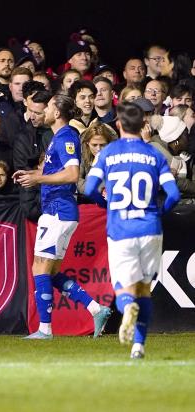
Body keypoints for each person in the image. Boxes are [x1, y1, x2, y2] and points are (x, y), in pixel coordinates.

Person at [84, 102, 180, 358]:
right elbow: (173, 194)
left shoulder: (108, 153)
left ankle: (126, 309)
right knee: (144, 288)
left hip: (120, 228)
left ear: (118, 124)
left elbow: (89, 188)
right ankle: (138, 346)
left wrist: (107, 204)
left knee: (123, 289)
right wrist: (159, 212)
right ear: (144, 125)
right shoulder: (155, 155)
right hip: (150, 227)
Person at [13, 94, 112, 339]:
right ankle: (96, 308)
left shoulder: (66, 136)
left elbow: (71, 175)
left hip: (59, 209)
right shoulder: (58, 138)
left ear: (57, 112)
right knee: (51, 271)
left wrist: (38, 179)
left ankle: (45, 330)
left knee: (40, 269)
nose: (43, 110)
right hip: (56, 209)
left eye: (47, 106)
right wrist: (32, 173)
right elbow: (56, 171)